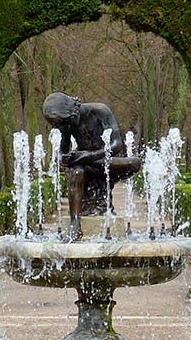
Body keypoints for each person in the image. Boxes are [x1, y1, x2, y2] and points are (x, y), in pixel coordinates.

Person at [42, 92, 141, 238]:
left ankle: (87, 163)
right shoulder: (65, 124)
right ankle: (75, 225)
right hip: (85, 164)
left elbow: (117, 144)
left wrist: (88, 156)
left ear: (73, 111)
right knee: (76, 172)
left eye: (65, 122)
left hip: (106, 162)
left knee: (135, 163)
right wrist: (64, 158)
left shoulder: (100, 111)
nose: (64, 127)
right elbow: (63, 150)